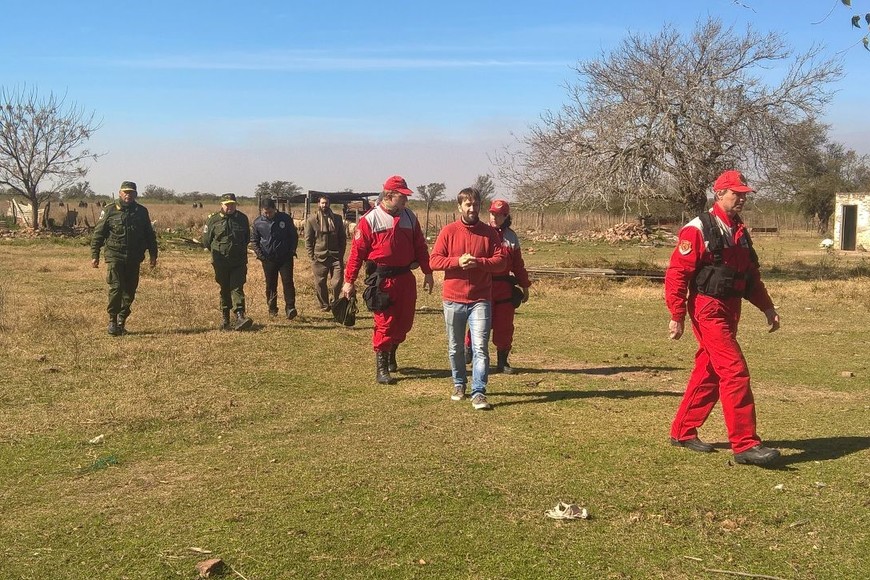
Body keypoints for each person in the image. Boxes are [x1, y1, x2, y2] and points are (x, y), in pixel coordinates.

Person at [665, 169, 782, 466]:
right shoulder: (696, 229)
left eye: (744, 194)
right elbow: (677, 274)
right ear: (719, 194)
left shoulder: (739, 229)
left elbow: (750, 275)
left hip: (731, 309)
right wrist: (676, 314)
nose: (742, 198)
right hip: (708, 308)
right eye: (736, 193)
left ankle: (682, 430)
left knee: (710, 370)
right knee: (734, 371)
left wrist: (767, 307)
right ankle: (744, 445)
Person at [342, 175, 434, 385]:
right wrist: (349, 281)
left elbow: (420, 246)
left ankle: (392, 350)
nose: (406, 201)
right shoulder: (370, 220)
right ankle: (382, 367)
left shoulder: (410, 217)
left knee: (404, 322)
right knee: (385, 323)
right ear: (390, 195)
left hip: (405, 279)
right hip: (382, 281)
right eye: (403, 197)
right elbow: (357, 254)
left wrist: (428, 272)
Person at [430, 187, 507, 410]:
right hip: (453, 299)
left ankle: (479, 391)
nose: (472, 208)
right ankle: (459, 383)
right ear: (459, 207)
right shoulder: (448, 231)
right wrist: (456, 262)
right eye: (467, 205)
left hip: (480, 299)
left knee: (480, 347)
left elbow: (501, 262)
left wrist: (479, 262)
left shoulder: (490, 233)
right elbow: (434, 261)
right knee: (455, 347)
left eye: (475, 205)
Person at [464, 199, 531, 374]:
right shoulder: (481, 233)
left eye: (499, 215)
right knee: (479, 323)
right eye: (492, 213)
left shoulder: (511, 237)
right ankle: (469, 351)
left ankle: (503, 360)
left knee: (504, 326)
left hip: (504, 289)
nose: (495, 217)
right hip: (483, 286)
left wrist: (525, 285)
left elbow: (518, 265)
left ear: (506, 216)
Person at [91, 181, 158, 336]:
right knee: (116, 287)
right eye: (125, 192)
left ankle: (122, 319)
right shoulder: (110, 210)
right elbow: (99, 234)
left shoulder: (141, 211)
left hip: (134, 257)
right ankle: (112, 321)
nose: (128, 195)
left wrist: (153, 254)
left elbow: (149, 234)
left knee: (130, 291)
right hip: (115, 254)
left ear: (135, 194)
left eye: (131, 192)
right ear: (120, 193)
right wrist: (95, 255)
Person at [203, 193, 253, 330]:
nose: (230, 207)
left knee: (237, 287)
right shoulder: (213, 220)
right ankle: (225, 318)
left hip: (238, 261)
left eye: (232, 204)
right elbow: (206, 241)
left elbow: (247, 238)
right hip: (220, 262)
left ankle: (240, 316)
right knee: (224, 288)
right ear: (222, 205)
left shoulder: (242, 219)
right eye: (227, 204)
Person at [252, 198, 298, 319]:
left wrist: (292, 250)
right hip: (268, 259)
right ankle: (272, 309)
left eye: (270, 212)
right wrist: (261, 256)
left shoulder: (285, 219)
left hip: (285, 258)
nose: (268, 215)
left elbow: (293, 236)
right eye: (265, 212)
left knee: (288, 282)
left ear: (275, 209)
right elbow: (254, 241)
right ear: (262, 210)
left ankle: (290, 308)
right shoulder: (257, 223)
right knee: (271, 284)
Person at [305, 194, 346, 312]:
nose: (324, 205)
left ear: (329, 204)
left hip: (336, 256)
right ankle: (324, 305)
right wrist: (311, 256)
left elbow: (342, 238)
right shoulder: (312, 220)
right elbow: (308, 240)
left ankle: (335, 301)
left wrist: (341, 253)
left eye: (326, 203)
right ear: (319, 204)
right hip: (319, 256)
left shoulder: (337, 219)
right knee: (320, 282)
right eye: (322, 203)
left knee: (337, 282)